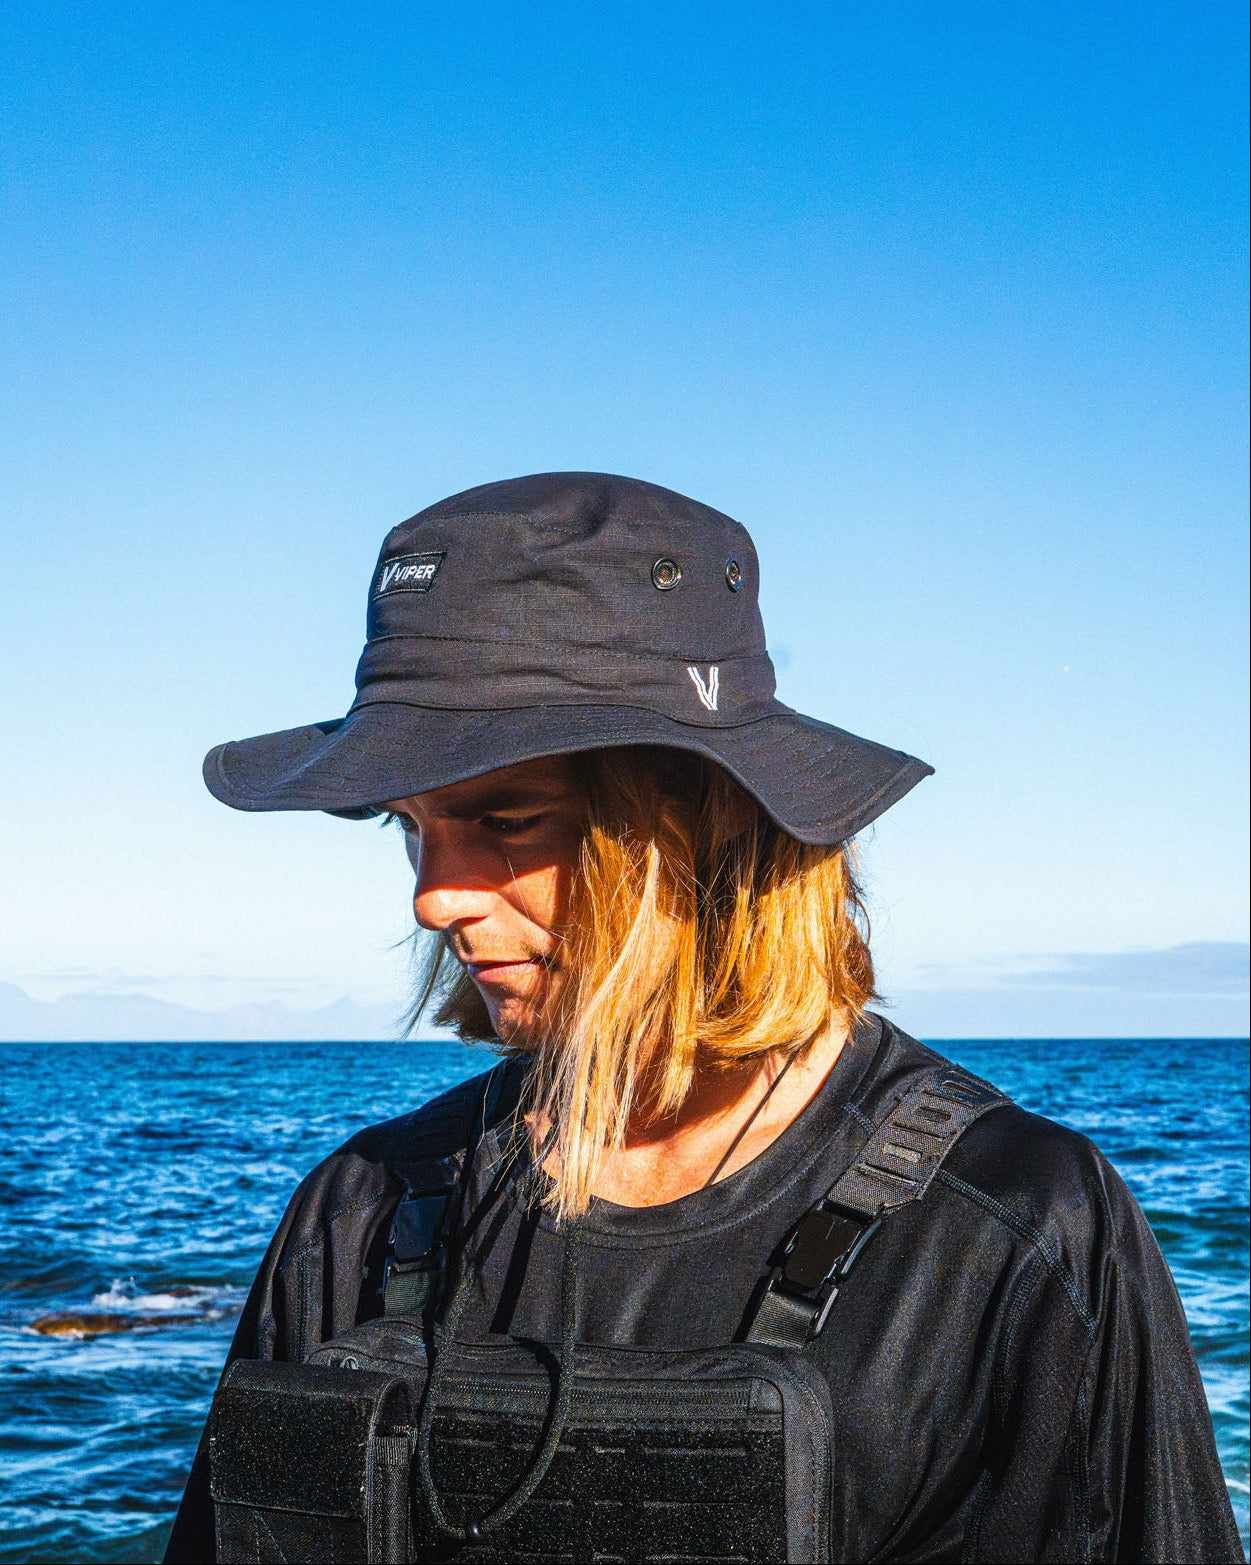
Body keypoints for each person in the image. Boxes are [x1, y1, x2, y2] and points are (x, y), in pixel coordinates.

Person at [166, 473, 1241, 1564]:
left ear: (708, 825)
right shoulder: (362, 1210)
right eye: (412, 824)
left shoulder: (1011, 1228)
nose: (432, 895)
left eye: (504, 816)